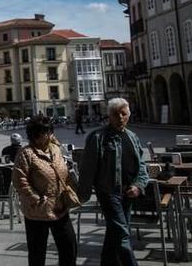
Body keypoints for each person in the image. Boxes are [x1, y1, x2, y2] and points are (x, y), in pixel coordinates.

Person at [77, 98, 149, 266]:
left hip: (129, 192)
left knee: (114, 232)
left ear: (128, 115)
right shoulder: (97, 137)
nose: (120, 118)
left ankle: (107, 263)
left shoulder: (132, 137)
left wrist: (139, 185)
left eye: (123, 114)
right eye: (116, 114)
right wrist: (82, 194)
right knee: (123, 234)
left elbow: (142, 165)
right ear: (109, 116)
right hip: (109, 193)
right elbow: (87, 168)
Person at [13, 115, 77, 266]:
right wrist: (36, 199)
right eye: (45, 132)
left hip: (60, 208)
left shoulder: (55, 149)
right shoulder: (26, 153)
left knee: (69, 247)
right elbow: (19, 180)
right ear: (35, 135)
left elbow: (63, 168)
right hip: (37, 212)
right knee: (37, 253)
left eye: (50, 131)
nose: (49, 135)